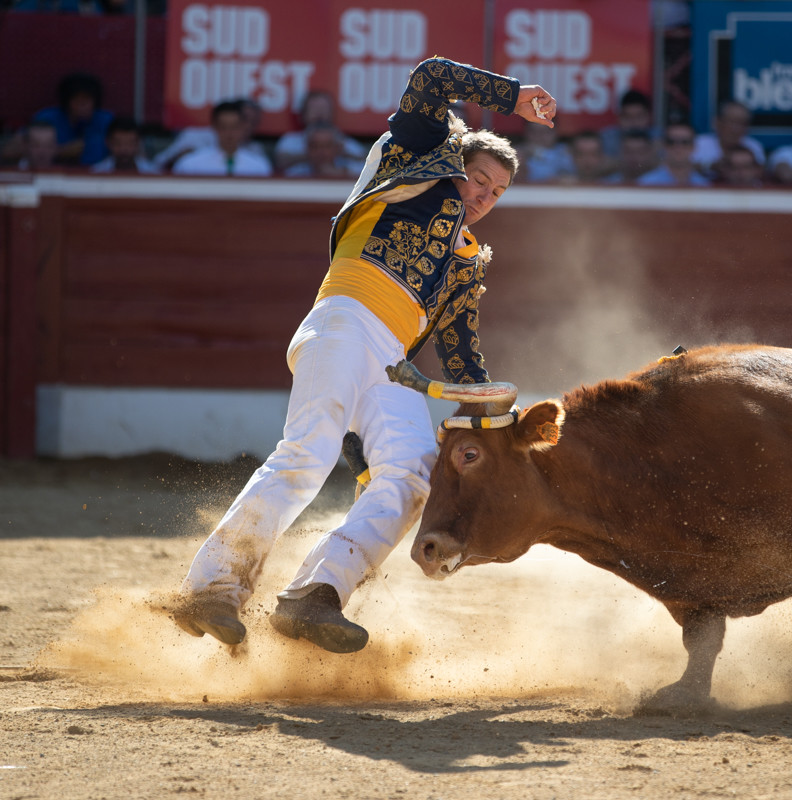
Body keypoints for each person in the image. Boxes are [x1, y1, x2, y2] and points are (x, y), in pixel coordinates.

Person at [170, 56, 557, 653]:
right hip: (348, 318)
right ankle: (213, 586)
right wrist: (512, 95)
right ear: (457, 162)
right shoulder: (418, 158)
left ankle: (316, 594)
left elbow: (462, 361)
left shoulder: (466, 262)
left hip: (393, 363)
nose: (484, 196)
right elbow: (431, 77)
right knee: (307, 454)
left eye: (497, 192)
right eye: (479, 179)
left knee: (411, 477)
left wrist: (503, 427)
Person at [154, 97, 267, 172]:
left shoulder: (259, 166)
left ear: (243, 127)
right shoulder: (190, 164)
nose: (229, 133)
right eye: (223, 127)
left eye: (234, 126)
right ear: (214, 127)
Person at [31, 72, 113, 167]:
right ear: (66, 101)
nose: (82, 104)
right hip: (51, 175)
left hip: (99, 178)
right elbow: (20, 148)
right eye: (76, 100)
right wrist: (61, 151)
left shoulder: (107, 121)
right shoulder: (47, 118)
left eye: (86, 99)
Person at [274, 90, 366, 173]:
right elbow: (279, 162)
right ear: (303, 113)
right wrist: (313, 155)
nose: (320, 114)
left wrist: (339, 152)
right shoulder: (290, 140)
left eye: (324, 109)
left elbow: (366, 163)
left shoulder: (345, 142)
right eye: (314, 109)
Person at [692, 99, 765, 179]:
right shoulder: (698, 144)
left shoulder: (753, 146)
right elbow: (680, 167)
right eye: (731, 122)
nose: (736, 129)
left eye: (742, 123)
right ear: (717, 122)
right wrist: (711, 166)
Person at [636, 121, 709, 187]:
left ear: (693, 147)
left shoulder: (704, 185)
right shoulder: (646, 184)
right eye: (671, 142)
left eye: (685, 142)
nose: (678, 147)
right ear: (663, 145)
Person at [282, 122, 358, 178]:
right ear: (307, 148)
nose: (321, 152)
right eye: (315, 146)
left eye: (327, 146)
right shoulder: (294, 177)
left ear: (337, 148)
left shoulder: (353, 175)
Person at [598, 88, 658, 159]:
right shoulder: (606, 139)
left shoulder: (659, 138)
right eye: (628, 117)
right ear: (619, 118)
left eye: (638, 117)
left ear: (648, 117)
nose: (634, 123)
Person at [90, 116, 160, 174]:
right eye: (118, 143)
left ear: (138, 143)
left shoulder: (152, 172)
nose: (124, 149)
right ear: (108, 143)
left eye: (130, 144)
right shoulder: (97, 172)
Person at [514, 118, 574, 184]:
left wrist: (539, 153)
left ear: (555, 132)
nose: (539, 136)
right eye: (534, 131)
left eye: (545, 131)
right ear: (526, 132)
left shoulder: (565, 150)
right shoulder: (517, 153)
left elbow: (571, 175)